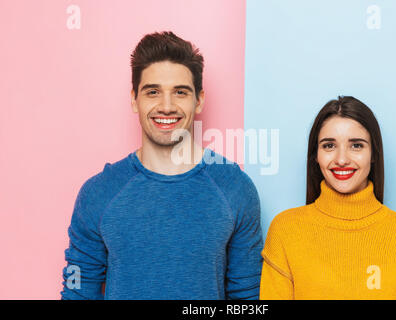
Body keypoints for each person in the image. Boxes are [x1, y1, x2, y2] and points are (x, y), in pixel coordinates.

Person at [60, 31, 263, 300]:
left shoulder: (235, 188)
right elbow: (78, 292)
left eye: (180, 92)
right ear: (134, 99)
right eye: (153, 92)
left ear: (199, 99)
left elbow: (247, 299)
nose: (166, 106)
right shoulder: (98, 192)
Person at [260, 96, 396, 299]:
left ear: (373, 154)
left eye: (356, 145)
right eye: (329, 145)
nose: (342, 159)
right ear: (316, 155)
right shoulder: (285, 231)